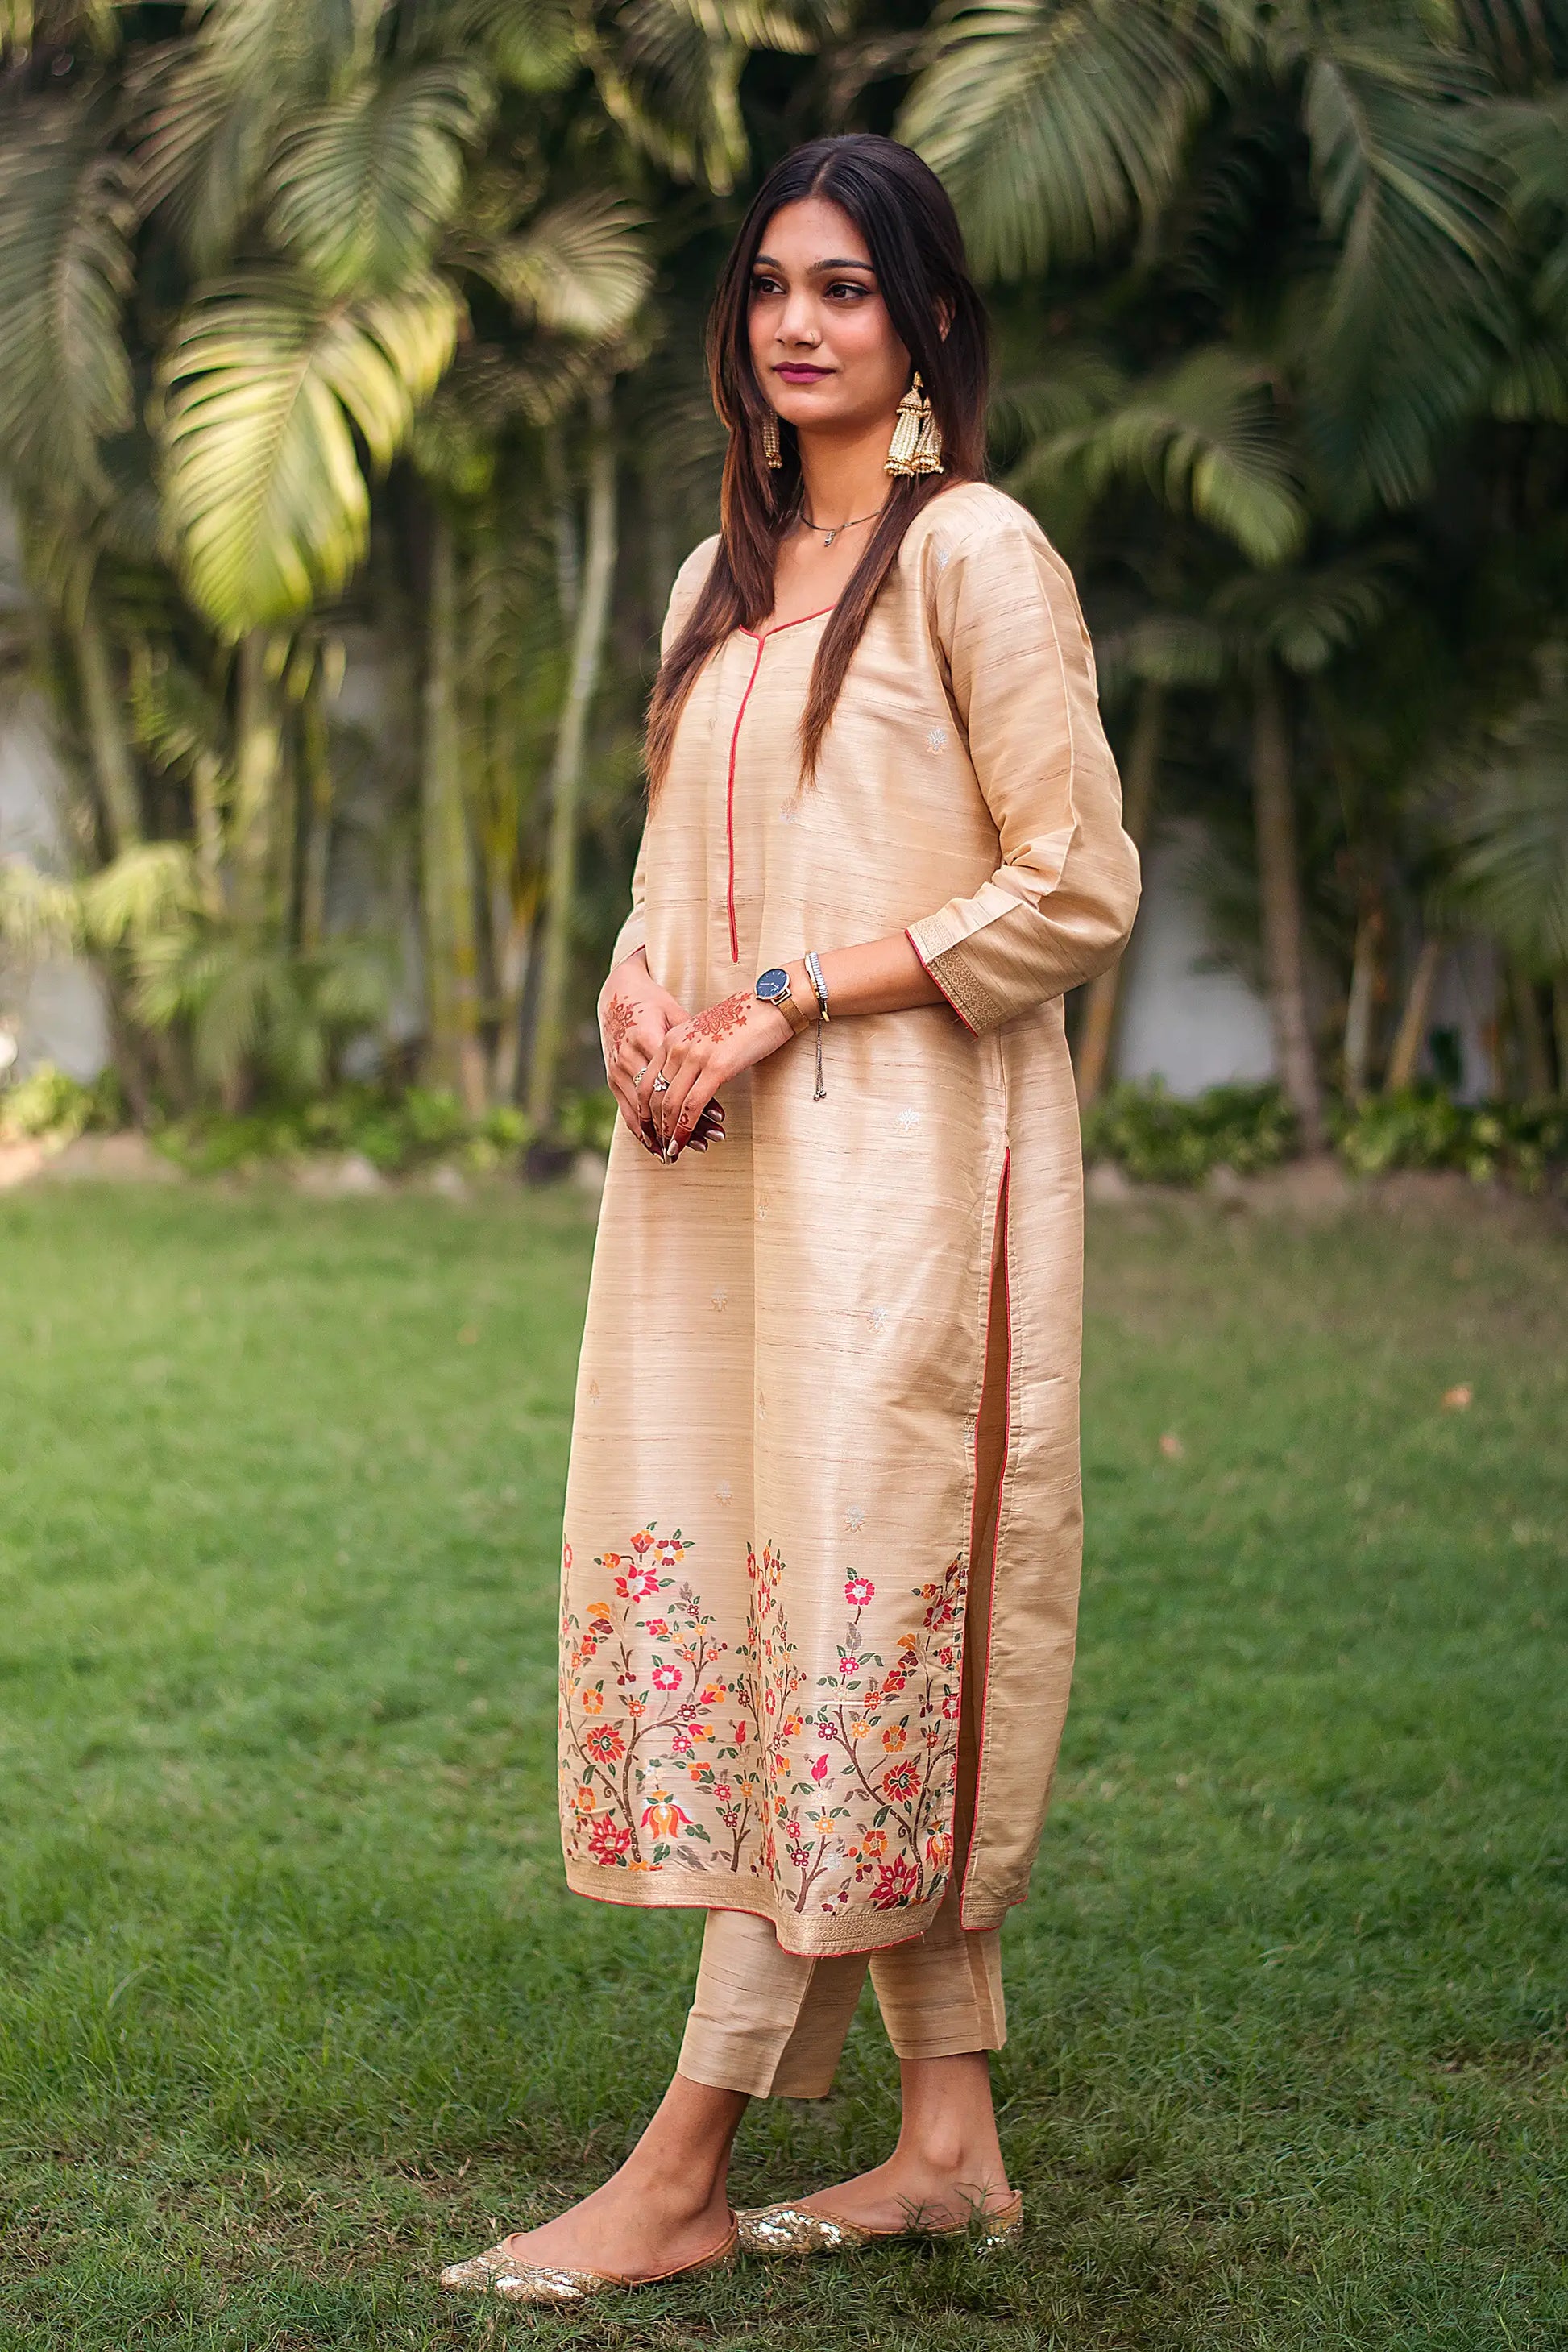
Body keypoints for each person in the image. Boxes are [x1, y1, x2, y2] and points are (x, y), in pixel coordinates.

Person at [441, 131, 1141, 2308]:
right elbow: (673, 882)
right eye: (769, 286)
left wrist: (784, 995)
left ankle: (682, 2158)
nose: (795, 323)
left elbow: (1073, 885)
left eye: (842, 286)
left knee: (861, 1618)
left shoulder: (974, 557)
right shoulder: (710, 580)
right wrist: (640, 1001)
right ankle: (945, 2142)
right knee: (783, 1617)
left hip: (909, 1175)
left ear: (925, 323)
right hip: (720, 1180)